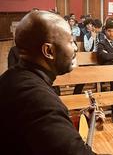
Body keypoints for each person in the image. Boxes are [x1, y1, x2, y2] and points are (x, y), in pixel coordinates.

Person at [0, 10, 103, 155]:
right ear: (48, 51)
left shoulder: (12, 78)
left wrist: (82, 120)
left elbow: (39, 133)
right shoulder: (36, 98)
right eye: (70, 41)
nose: (75, 47)